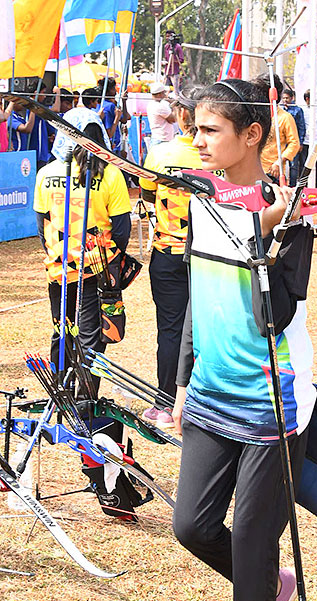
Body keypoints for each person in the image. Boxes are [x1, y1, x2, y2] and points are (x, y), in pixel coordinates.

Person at [171, 76, 316, 601]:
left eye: (210, 129)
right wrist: (181, 380)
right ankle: (270, 585)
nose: (197, 140)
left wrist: (269, 230)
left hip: (274, 395)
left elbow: (276, 315)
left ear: (252, 134)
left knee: (255, 532)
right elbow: (198, 299)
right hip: (211, 387)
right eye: (195, 128)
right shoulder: (201, 199)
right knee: (192, 526)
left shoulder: (294, 212)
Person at [33, 109, 131, 374]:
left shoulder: (45, 173)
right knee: (92, 337)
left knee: (62, 330)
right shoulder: (111, 174)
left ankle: (66, 392)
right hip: (96, 268)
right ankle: (84, 403)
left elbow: (43, 227)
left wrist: (59, 255)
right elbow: (121, 231)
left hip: (60, 267)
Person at [139, 95, 202, 429]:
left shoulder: (162, 153)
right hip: (209, 258)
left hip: (168, 254)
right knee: (209, 330)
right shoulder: (217, 154)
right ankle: (202, 404)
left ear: (179, 115)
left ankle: (166, 403)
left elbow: (147, 193)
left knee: (172, 330)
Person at [258, 74, 300, 183]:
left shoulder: (285, 117)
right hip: (254, 170)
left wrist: (279, 162)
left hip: (273, 171)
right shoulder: (255, 116)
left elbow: (294, 143)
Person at [97, 77, 130, 153]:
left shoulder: (99, 104)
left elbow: (128, 117)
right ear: (108, 91)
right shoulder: (110, 106)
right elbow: (125, 119)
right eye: (113, 89)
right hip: (113, 143)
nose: (115, 91)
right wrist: (124, 101)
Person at [281, 88, 305, 185]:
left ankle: (292, 186)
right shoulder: (280, 110)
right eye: (283, 98)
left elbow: (301, 127)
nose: (285, 100)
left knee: (293, 165)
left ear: (292, 98)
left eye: (287, 98)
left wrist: (300, 142)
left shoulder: (297, 110)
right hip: (282, 142)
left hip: (292, 142)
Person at [146, 83, 177, 147]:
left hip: (160, 139)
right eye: (164, 93)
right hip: (162, 140)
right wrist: (175, 106)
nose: (165, 95)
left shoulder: (152, 104)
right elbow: (173, 119)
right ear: (159, 94)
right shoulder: (159, 106)